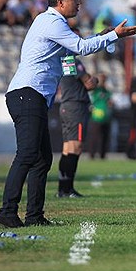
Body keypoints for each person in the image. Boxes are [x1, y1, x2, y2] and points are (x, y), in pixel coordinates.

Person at [0, 0, 136, 228]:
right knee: (29, 154)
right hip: (27, 94)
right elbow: (80, 48)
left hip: (33, 96)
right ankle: (7, 211)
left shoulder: (53, 23)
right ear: (61, 2)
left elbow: (71, 54)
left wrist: (105, 35)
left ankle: (34, 215)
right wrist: (112, 35)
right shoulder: (52, 22)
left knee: (42, 159)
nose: (79, 3)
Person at [56, 37, 98, 198]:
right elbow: (89, 84)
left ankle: (63, 188)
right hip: (76, 107)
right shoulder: (73, 61)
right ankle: (68, 189)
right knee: (75, 147)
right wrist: (96, 79)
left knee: (67, 148)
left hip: (67, 106)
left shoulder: (64, 61)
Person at [88, 73, 114, 160]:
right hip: (96, 117)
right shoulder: (96, 91)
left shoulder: (107, 91)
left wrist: (110, 104)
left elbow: (110, 102)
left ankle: (102, 155)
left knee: (104, 137)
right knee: (94, 137)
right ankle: (92, 154)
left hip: (105, 117)